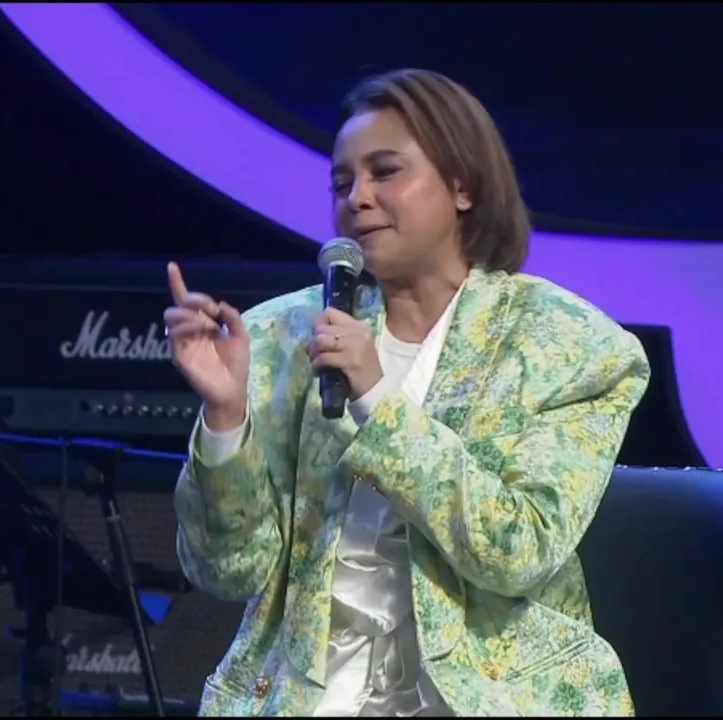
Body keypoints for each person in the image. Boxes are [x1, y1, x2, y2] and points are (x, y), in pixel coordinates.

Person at [166, 68, 650, 717]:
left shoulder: (567, 345)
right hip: (312, 694)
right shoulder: (280, 338)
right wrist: (225, 419)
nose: (357, 198)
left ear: (463, 186)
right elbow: (226, 572)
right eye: (343, 182)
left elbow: (518, 550)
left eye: (385, 172)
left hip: (490, 695)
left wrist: (376, 397)